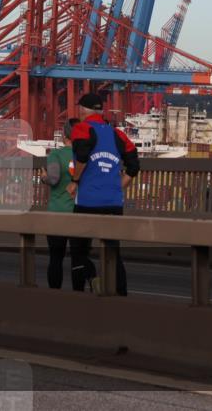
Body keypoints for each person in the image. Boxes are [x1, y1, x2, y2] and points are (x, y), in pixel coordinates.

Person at [68, 92, 139, 296]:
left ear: (82, 110)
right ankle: (121, 295)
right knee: (113, 253)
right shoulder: (118, 134)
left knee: (79, 253)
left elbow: (81, 156)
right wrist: (118, 186)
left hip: (87, 203)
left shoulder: (81, 128)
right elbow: (134, 165)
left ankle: (79, 295)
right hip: (114, 204)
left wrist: (75, 181)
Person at [42, 118, 80, 290]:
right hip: (78, 213)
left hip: (57, 212)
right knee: (78, 258)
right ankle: (79, 294)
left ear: (64, 135)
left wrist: (44, 178)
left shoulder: (55, 155)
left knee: (56, 258)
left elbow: (54, 179)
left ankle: (55, 296)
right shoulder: (83, 156)